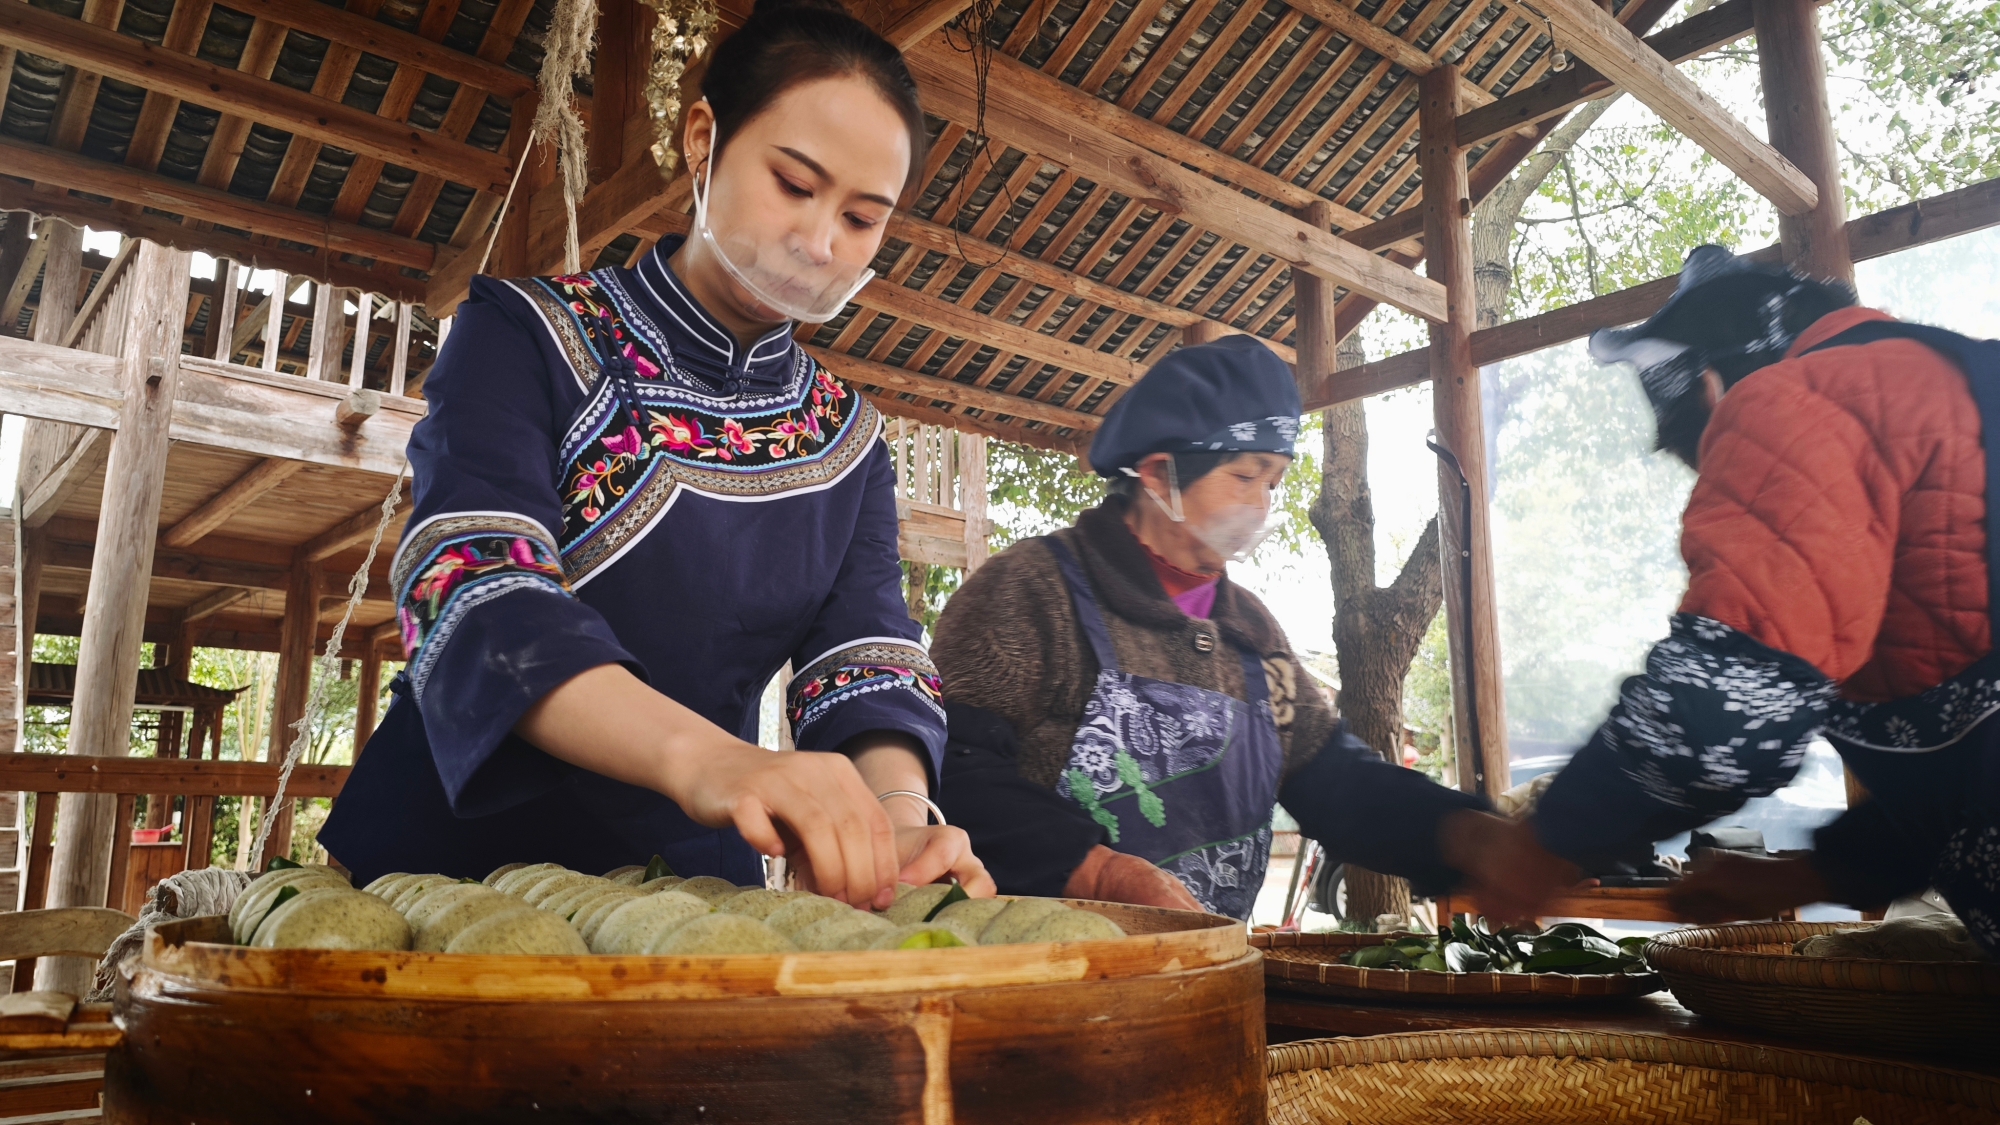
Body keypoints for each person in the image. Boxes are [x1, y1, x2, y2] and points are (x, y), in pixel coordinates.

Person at [320, 0, 991, 908]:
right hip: (443, 873)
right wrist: (713, 759)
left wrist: (901, 814)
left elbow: (864, 658)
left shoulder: (849, 439)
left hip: (691, 892)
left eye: (864, 217)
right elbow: (476, 587)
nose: (822, 241)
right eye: (794, 183)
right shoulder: (528, 335)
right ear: (704, 139)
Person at [928, 335, 1548, 920]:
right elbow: (954, 769)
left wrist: (1466, 837)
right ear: (1157, 473)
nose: (1261, 505)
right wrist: (1097, 873)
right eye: (1244, 476)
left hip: (1208, 977)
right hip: (1045, 975)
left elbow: (1330, 779)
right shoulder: (1031, 591)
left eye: (1273, 482)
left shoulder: (1252, 632)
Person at [1490, 244, 2000, 952]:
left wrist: (1552, 837)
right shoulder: (1934, 382)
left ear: (1708, 387)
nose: (1708, 480)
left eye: (1696, 454)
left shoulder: (1792, 402)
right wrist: (1808, 875)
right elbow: (1969, 786)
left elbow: (1730, 705)